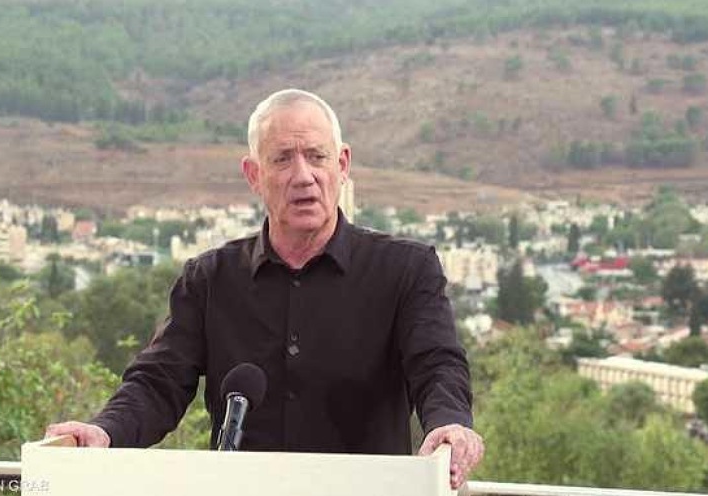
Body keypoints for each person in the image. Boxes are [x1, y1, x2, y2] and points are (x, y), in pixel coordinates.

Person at [46, 89, 484, 489]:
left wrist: (448, 424)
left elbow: (437, 364)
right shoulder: (209, 280)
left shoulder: (406, 270)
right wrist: (105, 431)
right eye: (283, 159)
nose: (303, 175)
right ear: (253, 174)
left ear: (343, 165)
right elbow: (158, 382)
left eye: (317, 156)